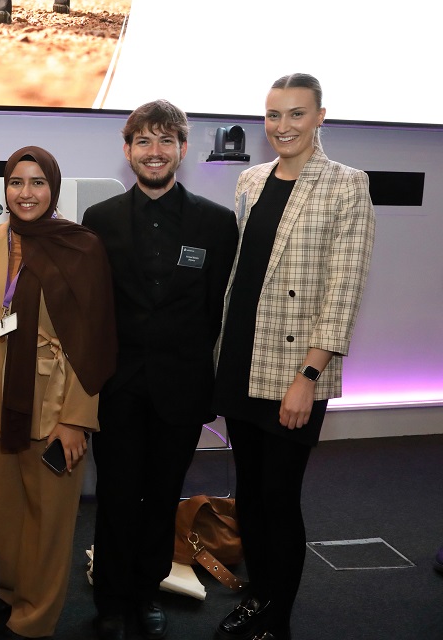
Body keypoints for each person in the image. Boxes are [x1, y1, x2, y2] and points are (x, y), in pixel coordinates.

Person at [212, 73, 375, 640]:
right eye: (274, 115)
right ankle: (258, 599)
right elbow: (240, 275)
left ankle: (277, 618)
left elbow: (344, 288)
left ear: (320, 117)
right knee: (251, 497)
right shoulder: (251, 179)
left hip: (294, 370)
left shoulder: (346, 184)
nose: (283, 127)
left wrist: (310, 374)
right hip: (242, 360)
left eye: (297, 114)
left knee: (280, 499)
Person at [81, 99, 239, 640]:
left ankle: (146, 592)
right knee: (117, 494)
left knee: (161, 493)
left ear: (183, 150)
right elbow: (92, 307)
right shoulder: (98, 220)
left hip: (182, 388)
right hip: (116, 387)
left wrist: (212, 385)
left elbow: (219, 308)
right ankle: (110, 597)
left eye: (166, 141)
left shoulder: (217, 224)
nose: (155, 151)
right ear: (128, 151)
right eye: (144, 141)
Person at [0, 146, 117, 640]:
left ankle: (35, 617)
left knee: (49, 519)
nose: (26, 193)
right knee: (5, 509)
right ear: (4, 187)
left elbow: (93, 340)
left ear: (54, 188)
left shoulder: (81, 247)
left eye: (38, 182)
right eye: (17, 182)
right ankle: (11, 592)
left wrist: (76, 420)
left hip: (55, 404)